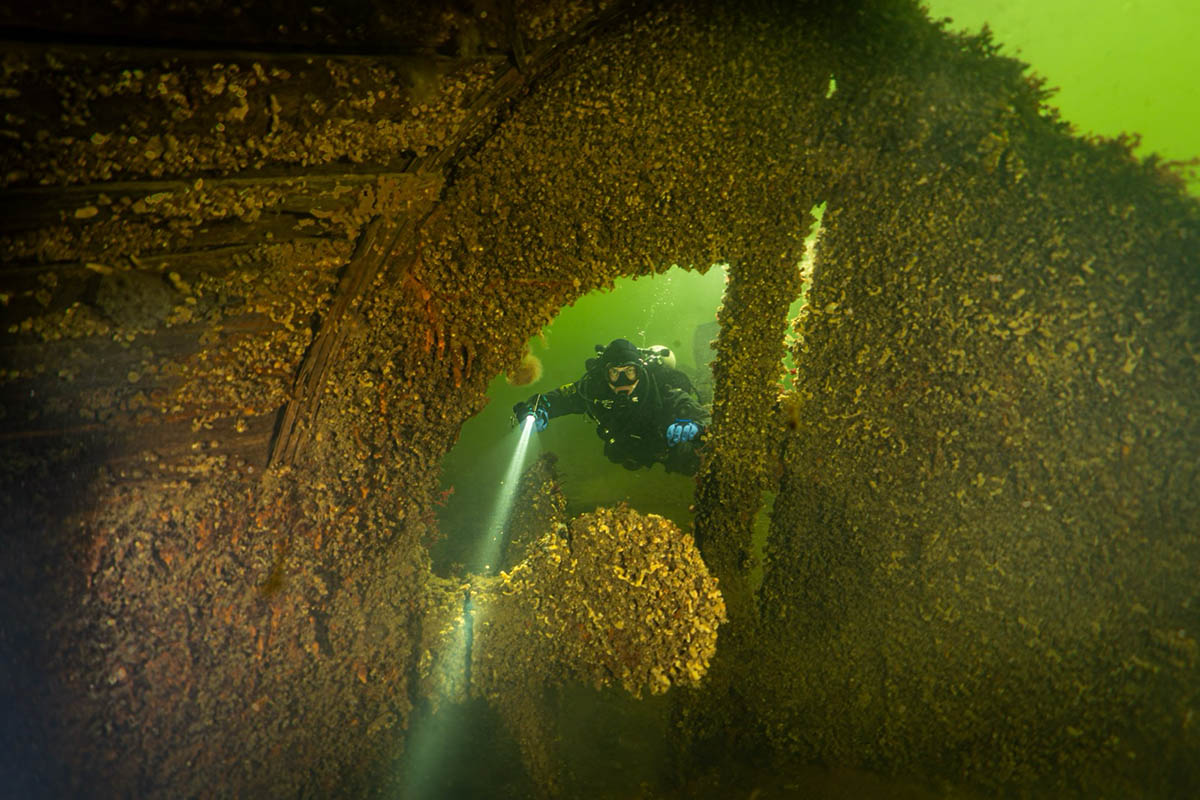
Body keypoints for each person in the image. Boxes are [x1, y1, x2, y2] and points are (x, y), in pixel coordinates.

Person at [512, 338, 709, 476]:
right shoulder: (592, 389)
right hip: (630, 451)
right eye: (615, 372)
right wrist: (535, 410)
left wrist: (697, 427)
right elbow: (554, 399)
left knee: (692, 463)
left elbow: (707, 419)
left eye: (630, 371)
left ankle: (705, 382)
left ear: (640, 372)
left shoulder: (659, 389)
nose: (623, 380)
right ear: (605, 374)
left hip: (664, 447)